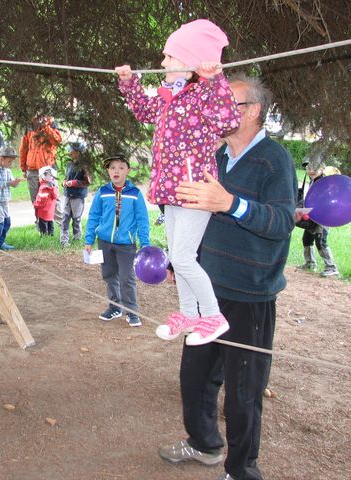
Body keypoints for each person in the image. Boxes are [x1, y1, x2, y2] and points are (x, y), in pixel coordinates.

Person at [158, 74, 297, 480]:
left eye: (226, 103)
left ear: (252, 111)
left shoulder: (274, 160)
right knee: (195, 378)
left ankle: (241, 471)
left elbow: (282, 221)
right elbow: (193, 217)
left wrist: (231, 203)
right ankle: (204, 444)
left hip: (250, 295)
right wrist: (179, 261)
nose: (213, 110)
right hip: (209, 291)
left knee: (243, 393)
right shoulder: (213, 155)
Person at [116, 19, 241, 346]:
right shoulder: (169, 97)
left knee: (184, 258)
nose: (162, 62)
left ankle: (213, 316)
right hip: (171, 192)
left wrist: (215, 80)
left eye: (169, 56)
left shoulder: (203, 94)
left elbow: (228, 121)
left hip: (194, 191)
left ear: (189, 62)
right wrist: (129, 83)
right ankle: (189, 313)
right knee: (178, 256)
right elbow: (144, 111)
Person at [84, 155, 150, 327]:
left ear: (128, 171)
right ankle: (115, 307)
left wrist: (145, 244)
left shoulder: (135, 194)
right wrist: (89, 239)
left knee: (126, 277)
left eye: (121, 168)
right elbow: (93, 216)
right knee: (109, 275)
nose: (116, 171)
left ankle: (132, 311)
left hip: (126, 245)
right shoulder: (102, 192)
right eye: (112, 167)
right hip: (105, 242)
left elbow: (142, 220)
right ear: (108, 171)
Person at [297, 152, 340, 277]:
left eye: (314, 168)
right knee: (307, 239)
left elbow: (328, 201)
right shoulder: (313, 180)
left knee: (320, 241)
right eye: (308, 167)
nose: (311, 170)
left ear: (322, 169)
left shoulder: (325, 182)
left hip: (323, 217)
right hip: (313, 215)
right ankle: (310, 263)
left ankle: (331, 267)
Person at [20, 113, 62, 225]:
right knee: (36, 199)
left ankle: (62, 225)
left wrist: (45, 126)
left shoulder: (51, 125)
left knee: (53, 197)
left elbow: (57, 141)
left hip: (48, 168)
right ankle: (41, 225)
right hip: (32, 169)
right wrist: (23, 168)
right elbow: (24, 148)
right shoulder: (29, 128)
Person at [0, 145, 23, 252]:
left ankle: (1, 243)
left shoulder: (7, 170)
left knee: (7, 223)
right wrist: (8, 183)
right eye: (9, 161)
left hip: (5, 201)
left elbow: (12, 183)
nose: (10, 164)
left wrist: (16, 182)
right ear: (1, 158)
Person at [60, 142, 91, 248]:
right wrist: (64, 183)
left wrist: (74, 183)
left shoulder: (84, 166)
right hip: (67, 195)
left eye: (71, 151)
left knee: (76, 218)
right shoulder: (69, 164)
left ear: (78, 152)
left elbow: (87, 182)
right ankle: (64, 241)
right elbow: (66, 177)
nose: (69, 153)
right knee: (65, 218)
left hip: (78, 196)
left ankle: (77, 238)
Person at [33, 166, 59, 235]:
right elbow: (55, 196)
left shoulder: (44, 187)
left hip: (43, 211)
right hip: (50, 211)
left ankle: (44, 236)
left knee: (43, 225)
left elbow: (41, 200)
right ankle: (51, 235)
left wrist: (35, 204)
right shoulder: (54, 186)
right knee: (50, 223)